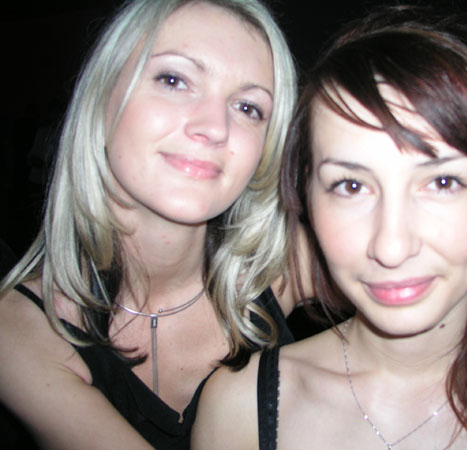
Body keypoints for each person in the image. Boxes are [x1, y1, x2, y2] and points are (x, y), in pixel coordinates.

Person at [193, 6, 467, 449]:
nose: (391, 247)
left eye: (442, 183)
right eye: (350, 186)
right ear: (306, 200)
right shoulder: (239, 410)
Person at [0, 0, 298, 449]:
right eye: (174, 80)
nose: (215, 127)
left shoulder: (281, 270)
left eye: (248, 107)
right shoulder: (20, 328)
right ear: (103, 97)